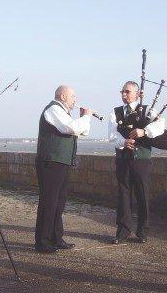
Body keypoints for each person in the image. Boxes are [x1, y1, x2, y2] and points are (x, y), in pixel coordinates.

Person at [34, 85, 93, 253]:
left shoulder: (64, 113)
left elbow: (82, 131)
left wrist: (83, 118)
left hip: (62, 162)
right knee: (49, 202)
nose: (75, 100)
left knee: (59, 202)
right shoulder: (53, 109)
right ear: (62, 96)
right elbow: (72, 128)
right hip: (50, 162)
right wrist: (87, 116)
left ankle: (56, 238)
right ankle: (43, 242)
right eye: (72, 96)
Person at [108, 81, 165, 244]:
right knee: (123, 195)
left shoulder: (147, 110)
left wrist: (144, 131)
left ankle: (142, 231)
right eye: (122, 91)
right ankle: (123, 231)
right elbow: (112, 134)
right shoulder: (116, 112)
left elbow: (160, 124)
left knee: (142, 194)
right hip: (123, 159)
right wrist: (123, 142)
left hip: (142, 160)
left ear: (137, 93)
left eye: (127, 91)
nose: (124, 94)